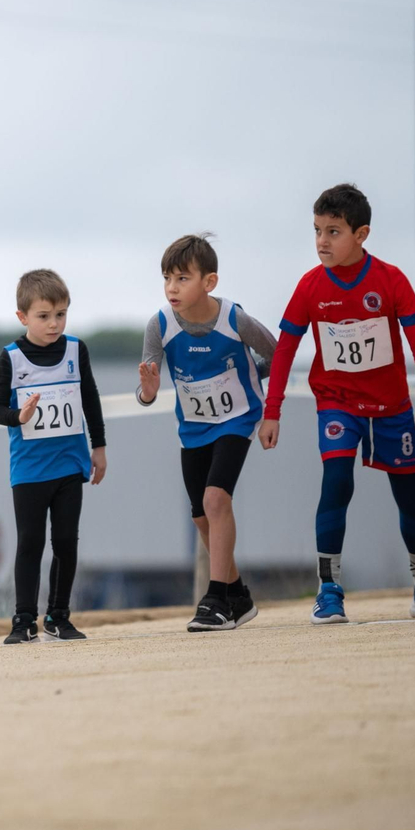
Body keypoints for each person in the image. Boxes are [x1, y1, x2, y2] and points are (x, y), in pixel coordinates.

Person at [258, 183, 415, 623]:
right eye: (316, 231)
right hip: (337, 404)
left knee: (409, 492)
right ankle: (328, 589)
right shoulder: (309, 286)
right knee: (337, 482)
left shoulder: (391, 279)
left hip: (390, 407)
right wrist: (271, 412)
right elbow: (285, 351)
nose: (322, 242)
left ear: (361, 234)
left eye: (333, 231)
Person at [136, 234, 276, 632]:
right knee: (201, 518)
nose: (172, 288)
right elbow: (147, 385)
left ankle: (215, 600)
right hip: (193, 427)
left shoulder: (236, 320)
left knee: (216, 501)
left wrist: (251, 380)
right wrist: (147, 393)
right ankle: (239, 596)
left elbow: (276, 355)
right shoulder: (159, 325)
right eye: (167, 278)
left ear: (209, 282)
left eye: (182, 278)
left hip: (238, 419)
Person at [0, 269, 107, 644]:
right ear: (23, 317)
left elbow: (90, 398)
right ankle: (24, 620)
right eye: (44, 316)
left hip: (70, 464)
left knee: (66, 542)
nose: (54, 323)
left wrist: (99, 447)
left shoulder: (76, 350)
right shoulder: (10, 358)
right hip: (29, 469)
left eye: (61, 314)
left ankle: (59, 615)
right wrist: (17, 416)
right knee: (30, 544)